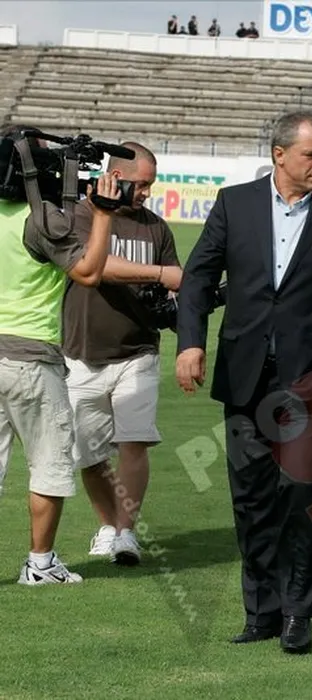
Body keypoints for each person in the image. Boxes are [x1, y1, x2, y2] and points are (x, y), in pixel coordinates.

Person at [175, 112, 312, 654]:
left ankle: (297, 612)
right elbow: (198, 277)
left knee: (302, 493)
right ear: (279, 154)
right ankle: (261, 612)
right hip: (244, 378)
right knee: (252, 499)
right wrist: (191, 342)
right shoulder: (234, 204)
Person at [0, 125, 118, 584]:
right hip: (30, 356)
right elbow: (87, 272)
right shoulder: (39, 219)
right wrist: (103, 213)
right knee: (49, 463)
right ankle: (41, 564)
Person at [63, 143, 183, 566]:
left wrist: (176, 304)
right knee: (90, 456)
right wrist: (159, 273)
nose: (148, 192)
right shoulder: (82, 214)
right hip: (82, 354)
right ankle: (108, 526)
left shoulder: (157, 228)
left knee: (135, 442)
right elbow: (96, 268)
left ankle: (126, 533)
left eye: (151, 184)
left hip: (139, 352)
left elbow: (174, 287)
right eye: (142, 184)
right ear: (115, 177)